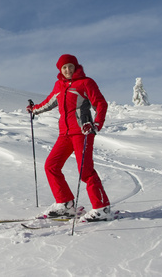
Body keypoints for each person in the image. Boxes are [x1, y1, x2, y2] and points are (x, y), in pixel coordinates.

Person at [27, 54, 112, 222]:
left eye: (70, 67)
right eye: (64, 67)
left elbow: (101, 104)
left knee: (85, 171)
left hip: (83, 132)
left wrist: (96, 125)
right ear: (60, 69)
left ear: (76, 67)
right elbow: (49, 102)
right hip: (64, 134)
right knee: (51, 165)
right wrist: (34, 109)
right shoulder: (59, 86)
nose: (67, 70)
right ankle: (65, 204)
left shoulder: (86, 83)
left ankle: (102, 208)